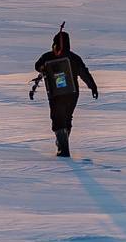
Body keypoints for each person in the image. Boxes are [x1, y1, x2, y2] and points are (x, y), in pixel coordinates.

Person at [32, 29, 98, 157]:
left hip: (56, 94)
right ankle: (63, 144)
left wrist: (42, 67)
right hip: (72, 93)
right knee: (66, 117)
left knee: (58, 118)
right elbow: (84, 73)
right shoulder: (73, 57)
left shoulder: (48, 56)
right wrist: (93, 87)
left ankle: (63, 147)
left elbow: (37, 65)